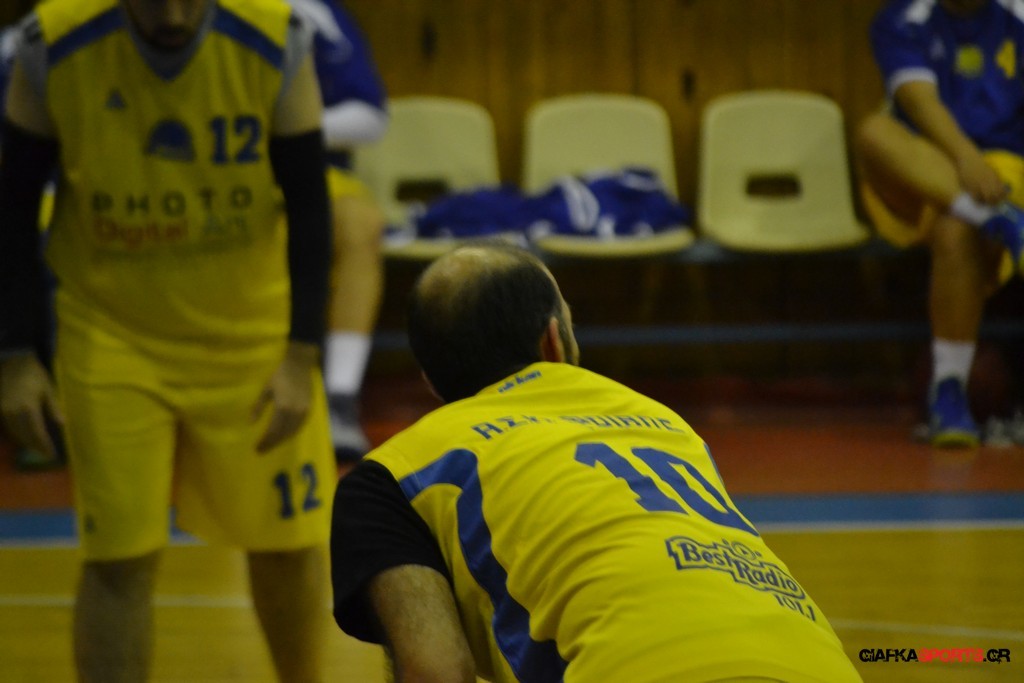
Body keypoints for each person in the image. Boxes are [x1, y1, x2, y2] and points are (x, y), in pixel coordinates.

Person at [330, 244, 863, 682]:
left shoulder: (396, 469)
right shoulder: (664, 421)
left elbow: (436, 672)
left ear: (430, 380)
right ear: (554, 341)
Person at [0, 0, 335, 680]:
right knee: (117, 556)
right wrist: (15, 358)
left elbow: (309, 207)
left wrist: (302, 354)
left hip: (251, 333)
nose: (175, 16)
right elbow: (10, 210)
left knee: (286, 547)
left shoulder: (276, 36)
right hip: (111, 334)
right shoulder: (51, 43)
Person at [856, 0, 1024, 447]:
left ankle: (948, 392)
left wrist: (982, 170)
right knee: (875, 132)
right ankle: (997, 219)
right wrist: (965, 159)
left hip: (1005, 169)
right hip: (927, 168)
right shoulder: (902, 19)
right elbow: (918, 100)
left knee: (956, 229)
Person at [289, 0, 388, 463]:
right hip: (216, 173)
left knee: (361, 225)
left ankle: (339, 399)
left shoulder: (315, 11)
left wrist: (290, 129)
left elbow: (370, 115)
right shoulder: (185, 13)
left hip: (310, 164)